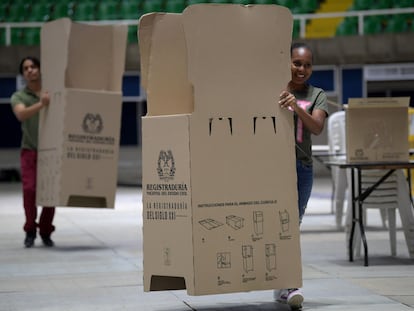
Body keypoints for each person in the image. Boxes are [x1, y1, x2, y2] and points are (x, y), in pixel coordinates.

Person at [275, 42, 329, 309]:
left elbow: (317, 127)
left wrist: (296, 106)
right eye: (297, 63)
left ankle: (288, 281)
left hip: (302, 168)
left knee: (291, 226)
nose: (302, 69)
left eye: (307, 65)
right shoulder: (275, 88)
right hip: (273, 166)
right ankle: (287, 281)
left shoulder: (317, 94)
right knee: (276, 226)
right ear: (287, 62)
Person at [10, 56, 56, 248]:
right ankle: (30, 230)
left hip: (51, 150)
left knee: (50, 194)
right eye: (26, 68)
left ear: (40, 69)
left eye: (33, 66)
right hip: (30, 150)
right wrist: (42, 104)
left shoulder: (52, 92)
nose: (30, 70)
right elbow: (21, 114)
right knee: (29, 191)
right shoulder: (19, 97)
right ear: (23, 74)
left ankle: (45, 231)